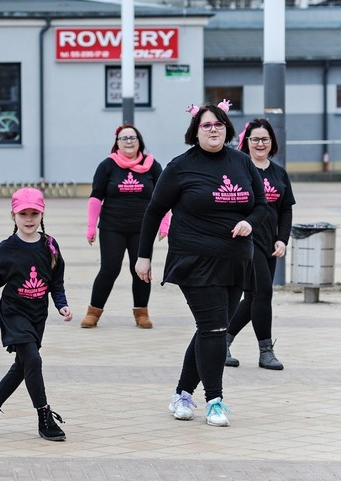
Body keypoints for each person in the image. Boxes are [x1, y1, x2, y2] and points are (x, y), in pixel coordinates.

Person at [135, 100, 268, 427]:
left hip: (236, 259)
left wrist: (251, 221)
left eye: (219, 124)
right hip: (194, 259)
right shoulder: (181, 166)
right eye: (207, 125)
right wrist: (143, 255)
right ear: (196, 130)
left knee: (211, 329)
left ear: (228, 129)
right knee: (215, 329)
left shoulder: (242, 162)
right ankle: (214, 400)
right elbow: (154, 210)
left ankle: (182, 393)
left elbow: (262, 205)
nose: (213, 129)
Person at [0, 187, 73, 441]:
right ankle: (44, 417)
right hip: (13, 314)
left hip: (38, 315)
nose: (28, 219)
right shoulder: (7, 249)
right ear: (13, 215)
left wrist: (62, 304)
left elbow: (55, 282)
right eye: (22, 213)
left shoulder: (50, 245)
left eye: (34, 213)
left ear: (42, 214)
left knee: (23, 365)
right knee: (33, 361)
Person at [226, 118, 295, 370]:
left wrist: (282, 239)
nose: (260, 144)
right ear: (246, 142)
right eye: (255, 139)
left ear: (271, 142)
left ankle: (222, 339)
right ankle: (266, 351)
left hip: (269, 244)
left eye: (265, 139)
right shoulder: (240, 171)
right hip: (246, 242)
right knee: (264, 292)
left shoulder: (279, 173)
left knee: (254, 297)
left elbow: (286, 210)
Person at [82, 124, 166, 329]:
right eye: (124, 138)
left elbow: (165, 196)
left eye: (133, 137)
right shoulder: (108, 165)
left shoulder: (152, 165)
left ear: (139, 141)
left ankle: (141, 313)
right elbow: (96, 197)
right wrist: (91, 227)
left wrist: (165, 224)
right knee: (109, 269)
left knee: (140, 270)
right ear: (117, 143)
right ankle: (94, 311)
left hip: (143, 228)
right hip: (112, 227)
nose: (129, 141)